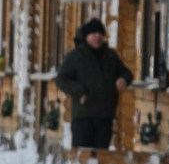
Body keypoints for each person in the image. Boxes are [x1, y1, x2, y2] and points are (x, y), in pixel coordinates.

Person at [54, 17, 131, 150]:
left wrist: (123, 79)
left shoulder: (110, 56)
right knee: (81, 154)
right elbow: (61, 79)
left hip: (105, 115)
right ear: (86, 36)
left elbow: (127, 73)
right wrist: (80, 91)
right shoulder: (76, 56)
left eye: (100, 33)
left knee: (101, 155)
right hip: (83, 115)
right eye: (93, 34)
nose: (97, 36)